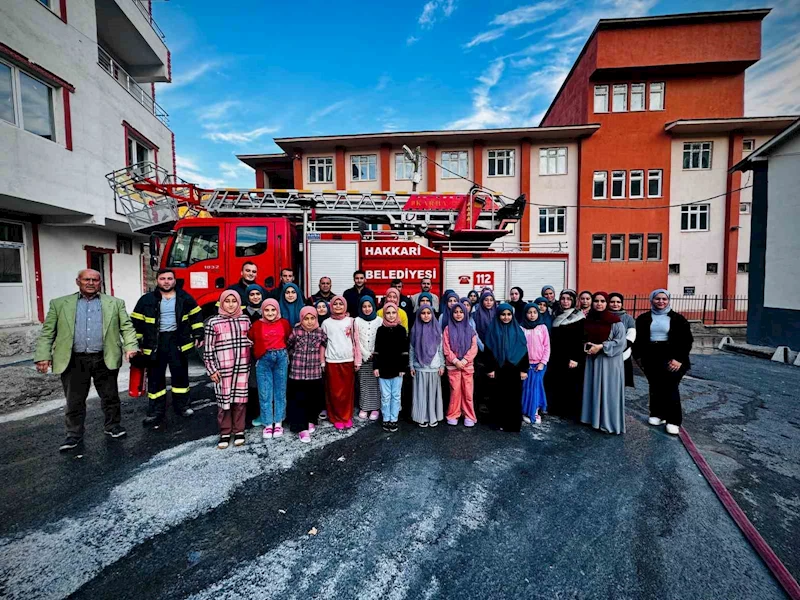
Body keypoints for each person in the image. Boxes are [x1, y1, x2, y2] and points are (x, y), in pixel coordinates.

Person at [34, 269, 139, 451]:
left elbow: (127, 327)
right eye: (86, 280)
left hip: (103, 358)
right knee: (74, 400)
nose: (91, 283)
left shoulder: (115, 303)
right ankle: (73, 435)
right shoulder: (60, 304)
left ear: (100, 283)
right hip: (74, 360)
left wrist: (131, 346)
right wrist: (43, 355)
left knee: (110, 396)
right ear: (78, 282)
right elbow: (47, 332)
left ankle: (113, 426)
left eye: (95, 280)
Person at [132, 268, 204, 429]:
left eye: (169, 278)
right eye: (163, 278)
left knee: (180, 376)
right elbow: (136, 323)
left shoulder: (184, 298)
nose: (166, 281)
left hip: (177, 341)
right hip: (155, 343)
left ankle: (182, 407)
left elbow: (196, 315)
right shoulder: (146, 300)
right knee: (155, 377)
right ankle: (156, 411)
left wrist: (199, 334)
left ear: (174, 280)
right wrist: (135, 345)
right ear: (157, 281)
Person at [633, 289, 694, 436]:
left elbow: (686, 341)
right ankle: (658, 414)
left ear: (668, 300)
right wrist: (639, 358)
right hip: (651, 356)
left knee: (670, 387)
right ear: (651, 300)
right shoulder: (643, 318)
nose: (661, 302)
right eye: (657, 299)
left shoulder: (678, 319)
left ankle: (673, 421)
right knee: (655, 385)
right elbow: (638, 339)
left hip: (672, 356)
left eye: (664, 299)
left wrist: (679, 359)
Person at [203, 290, 252, 449]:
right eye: (227, 301)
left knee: (240, 400)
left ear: (239, 303)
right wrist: (211, 369)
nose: (231, 304)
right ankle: (225, 432)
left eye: (234, 301)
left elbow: (251, 340)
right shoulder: (213, 323)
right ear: (221, 303)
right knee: (224, 400)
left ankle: (239, 430)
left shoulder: (245, 320)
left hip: (242, 367)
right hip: (223, 369)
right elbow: (208, 349)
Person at [581, 292, 626, 435]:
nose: (599, 304)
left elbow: (621, 343)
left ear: (606, 303)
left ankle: (608, 423)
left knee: (609, 391)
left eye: (602, 301)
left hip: (609, 362)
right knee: (593, 388)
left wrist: (601, 346)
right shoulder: (589, 320)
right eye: (596, 301)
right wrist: (586, 345)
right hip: (592, 360)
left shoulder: (615, 322)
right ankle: (593, 420)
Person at [248, 299, 291, 439]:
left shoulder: (284, 323)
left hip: (281, 357)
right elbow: (251, 338)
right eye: (267, 310)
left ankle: (278, 422)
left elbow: (288, 338)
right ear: (262, 311)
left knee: (280, 390)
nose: (270, 313)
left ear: (277, 310)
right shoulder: (257, 325)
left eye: (273, 310)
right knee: (265, 392)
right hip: (264, 359)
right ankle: (267, 423)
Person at [483, 303, 529, 432]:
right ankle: (499, 423)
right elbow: (488, 350)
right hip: (498, 368)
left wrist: (524, 369)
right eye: (503, 314)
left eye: (509, 314)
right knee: (498, 396)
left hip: (514, 368)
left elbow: (524, 350)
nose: (506, 317)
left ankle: (512, 424)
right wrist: (490, 368)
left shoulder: (518, 330)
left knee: (514, 397)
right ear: (498, 315)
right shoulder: (492, 329)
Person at [286, 306, 328, 443]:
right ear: (301, 319)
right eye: (306, 319)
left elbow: (325, 345)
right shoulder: (296, 331)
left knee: (312, 399)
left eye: (312, 318)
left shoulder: (320, 332)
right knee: (299, 399)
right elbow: (288, 345)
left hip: (314, 372)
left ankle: (311, 419)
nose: (309, 322)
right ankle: (301, 427)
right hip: (297, 373)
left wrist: (321, 361)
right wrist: (294, 356)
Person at [321, 296, 362, 430]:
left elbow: (356, 342)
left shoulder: (351, 321)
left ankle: (346, 416)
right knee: (334, 392)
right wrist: (322, 362)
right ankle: (335, 417)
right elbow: (322, 344)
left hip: (348, 360)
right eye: (335, 304)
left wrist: (357, 360)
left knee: (347, 392)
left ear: (345, 306)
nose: (338, 306)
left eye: (341, 304)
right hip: (332, 361)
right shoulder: (326, 323)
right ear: (331, 306)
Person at [544, 289, 586, 420]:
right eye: (563, 299)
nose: (565, 301)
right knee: (556, 382)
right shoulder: (556, 314)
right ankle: (556, 409)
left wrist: (575, 358)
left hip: (571, 357)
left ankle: (569, 412)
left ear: (573, 301)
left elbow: (581, 340)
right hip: (556, 356)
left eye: (568, 299)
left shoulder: (578, 317)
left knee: (570, 384)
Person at [373, 303, 408, 433]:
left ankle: (394, 419)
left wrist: (403, 368)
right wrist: (376, 367)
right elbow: (377, 350)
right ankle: (386, 418)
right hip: (383, 368)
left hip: (397, 369)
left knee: (396, 395)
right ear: (384, 314)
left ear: (397, 314)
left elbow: (404, 350)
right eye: (388, 313)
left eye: (394, 313)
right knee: (385, 396)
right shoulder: (380, 330)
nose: (391, 315)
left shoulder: (401, 330)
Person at [443, 303, 478, 427]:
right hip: (453, 366)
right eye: (455, 312)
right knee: (455, 392)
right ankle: (453, 414)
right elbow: (446, 348)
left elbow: (474, 348)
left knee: (468, 392)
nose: (458, 314)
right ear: (451, 314)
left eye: (461, 312)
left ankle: (469, 415)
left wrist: (464, 360)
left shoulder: (470, 329)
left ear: (465, 313)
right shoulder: (447, 329)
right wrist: (456, 361)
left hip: (467, 366)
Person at [409, 306, 445, 428]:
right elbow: (412, 350)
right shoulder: (415, 330)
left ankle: (432, 417)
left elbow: (441, 350)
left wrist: (442, 365)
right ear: (419, 315)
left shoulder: (437, 329)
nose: (426, 315)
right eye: (423, 313)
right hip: (419, 366)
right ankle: (421, 417)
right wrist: (411, 366)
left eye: (428, 313)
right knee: (421, 394)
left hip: (434, 366)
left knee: (432, 394)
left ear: (432, 314)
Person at [520, 302, 550, 425]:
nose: (532, 315)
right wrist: (522, 364)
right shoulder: (521, 328)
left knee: (536, 388)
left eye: (534, 312)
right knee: (526, 388)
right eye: (529, 312)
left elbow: (547, 346)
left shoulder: (542, 327)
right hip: (526, 365)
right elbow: (520, 347)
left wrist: (543, 362)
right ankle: (525, 411)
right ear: (525, 314)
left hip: (539, 365)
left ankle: (535, 411)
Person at [355, 296, 382, 420]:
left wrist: (374, 352)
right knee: (363, 383)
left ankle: (375, 408)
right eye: (364, 306)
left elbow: (381, 338)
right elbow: (356, 339)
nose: (367, 309)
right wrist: (365, 353)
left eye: (369, 306)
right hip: (363, 357)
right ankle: (364, 407)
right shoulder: (357, 321)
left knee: (375, 384)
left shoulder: (379, 321)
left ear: (373, 307)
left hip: (376, 358)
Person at [243, 284, 264, 426]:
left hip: (264, 353)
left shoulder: (267, 311)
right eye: (252, 294)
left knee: (263, 383)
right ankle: (252, 412)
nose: (255, 297)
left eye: (258, 294)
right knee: (251, 383)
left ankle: (263, 412)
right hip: (247, 353)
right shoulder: (243, 313)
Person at [608, 292, 637, 388]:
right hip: (606, 354)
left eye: (618, 302)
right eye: (612, 302)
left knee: (620, 385)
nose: (615, 304)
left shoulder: (628, 318)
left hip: (623, 355)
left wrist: (617, 349)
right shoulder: (602, 316)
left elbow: (630, 337)